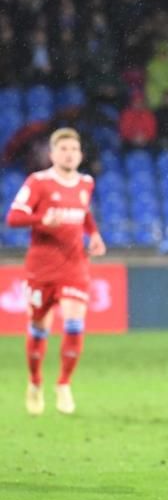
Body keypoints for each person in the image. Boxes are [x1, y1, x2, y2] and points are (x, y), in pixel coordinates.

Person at [5, 128, 106, 415]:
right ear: (52, 154)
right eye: (63, 150)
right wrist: (42, 219)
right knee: (39, 328)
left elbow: (84, 213)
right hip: (42, 267)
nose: (70, 154)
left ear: (81, 154)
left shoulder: (86, 183)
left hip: (75, 264)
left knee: (75, 323)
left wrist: (94, 234)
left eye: (74, 150)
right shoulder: (38, 182)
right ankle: (35, 382)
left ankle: (63, 384)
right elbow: (14, 217)